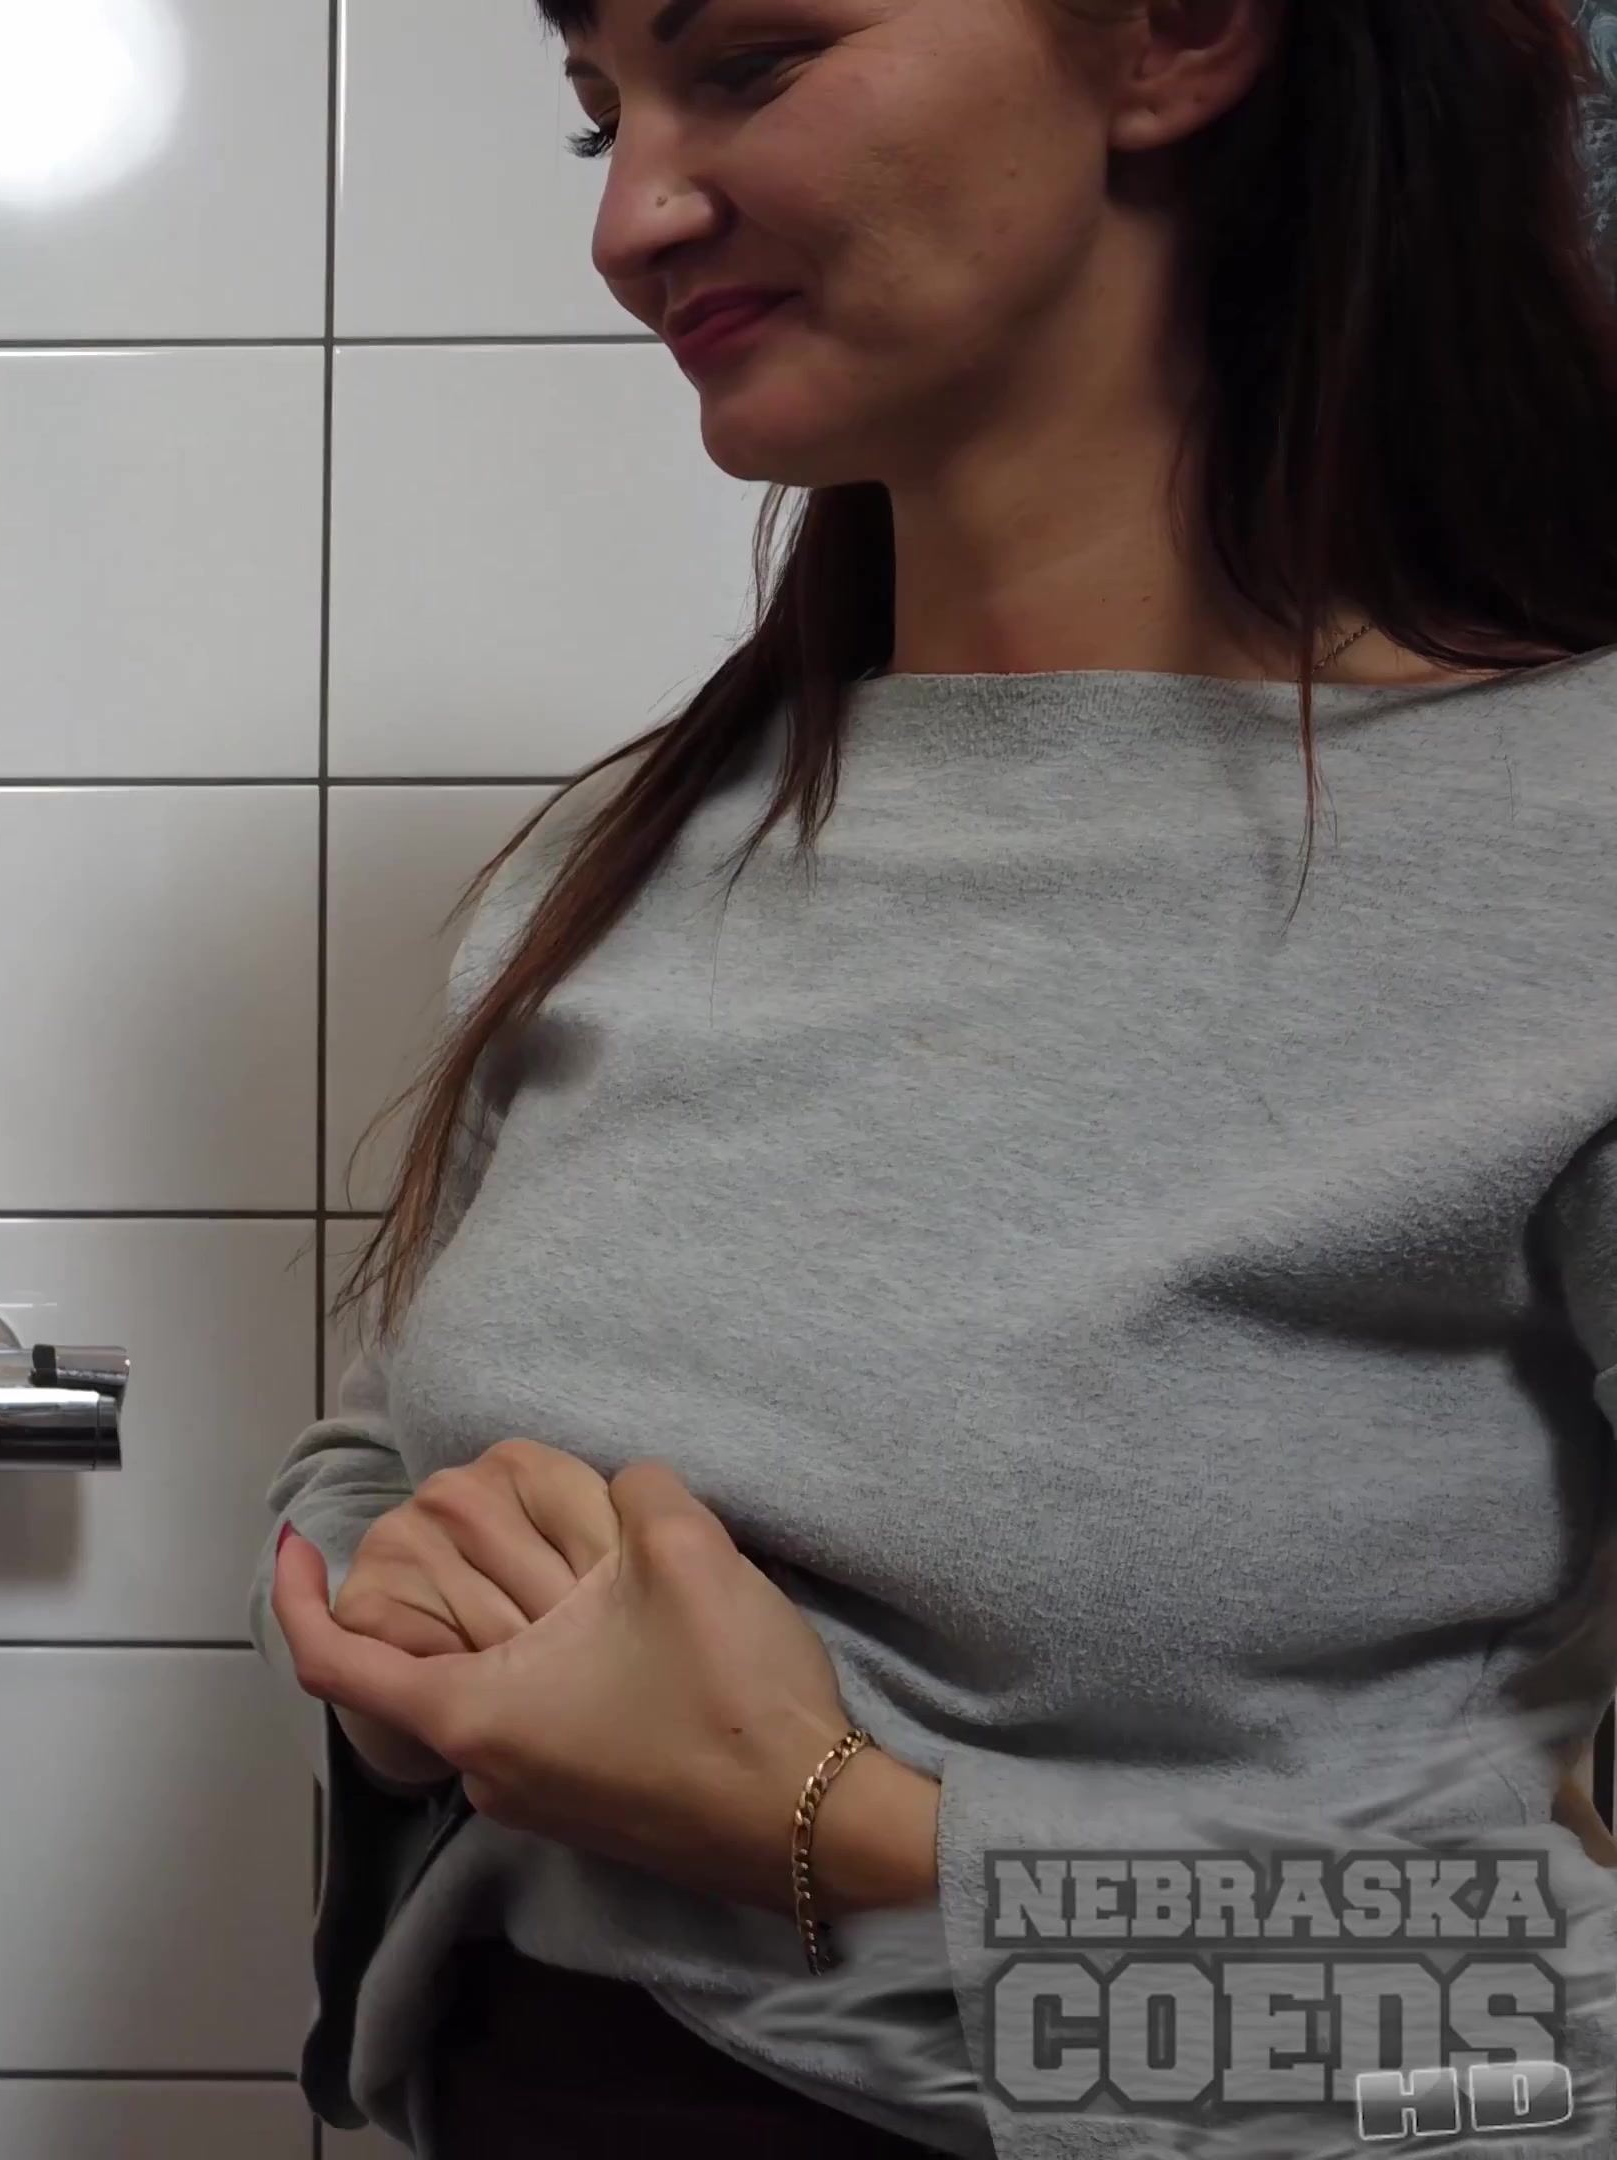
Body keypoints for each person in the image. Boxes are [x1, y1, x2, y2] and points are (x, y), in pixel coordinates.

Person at [254, 1, 1617, 2153]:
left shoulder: (1573, 859)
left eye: (753, 61)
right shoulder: (624, 858)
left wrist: (838, 1831)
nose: (629, 220)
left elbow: (1555, 2044)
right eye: (598, 120)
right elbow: (383, 1437)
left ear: (1172, 39)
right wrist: (402, 1631)